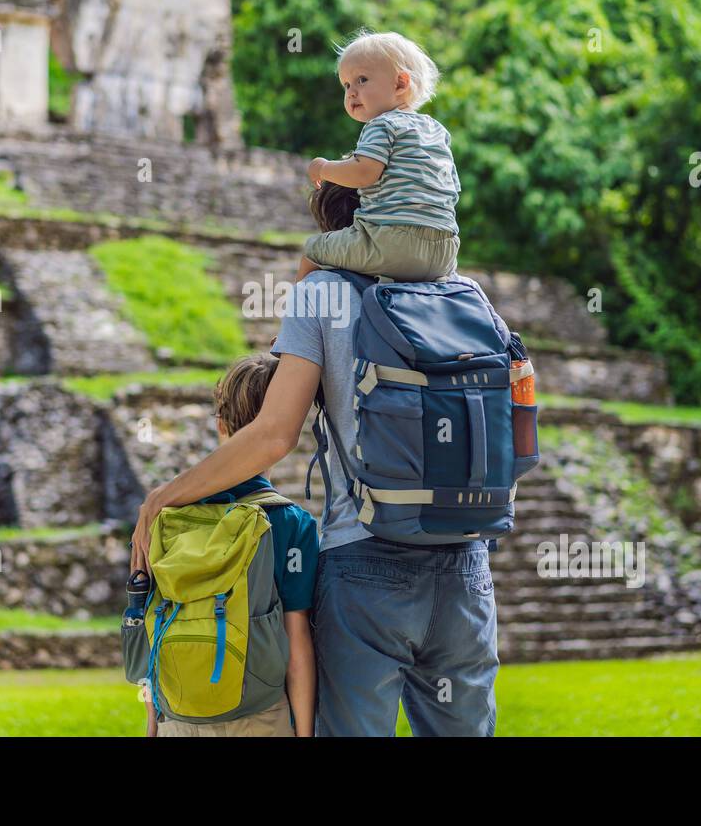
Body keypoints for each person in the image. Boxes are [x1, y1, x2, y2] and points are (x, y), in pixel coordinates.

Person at [132, 182, 501, 737]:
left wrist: (163, 497)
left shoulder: (323, 293)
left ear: (331, 228)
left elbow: (273, 435)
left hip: (368, 560)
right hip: (466, 561)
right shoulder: (461, 292)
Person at [138, 355, 318, 737]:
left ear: (221, 426)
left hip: (179, 717)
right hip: (259, 716)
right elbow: (296, 641)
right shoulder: (290, 523)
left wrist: (154, 725)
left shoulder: (168, 517)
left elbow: (152, 624)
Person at [297, 29, 461, 284]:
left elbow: (364, 173)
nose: (351, 92)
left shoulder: (382, 125)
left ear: (400, 84)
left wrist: (323, 168)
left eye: (362, 79)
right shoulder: (437, 130)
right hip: (446, 251)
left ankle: (301, 312)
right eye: (346, 84)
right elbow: (451, 189)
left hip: (391, 242)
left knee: (312, 250)